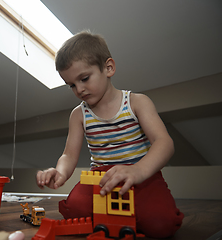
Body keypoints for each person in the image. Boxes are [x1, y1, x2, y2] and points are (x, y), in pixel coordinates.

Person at [36, 30, 184, 238]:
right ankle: (121, 220)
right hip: (100, 178)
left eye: (84, 78)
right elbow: (69, 155)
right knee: (74, 209)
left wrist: (138, 171)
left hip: (142, 175)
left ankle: (124, 218)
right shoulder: (79, 115)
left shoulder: (137, 102)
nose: (79, 89)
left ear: (108, 68)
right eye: (72, 85)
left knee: (162, 224)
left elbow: (164, 143)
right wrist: (60, 172)